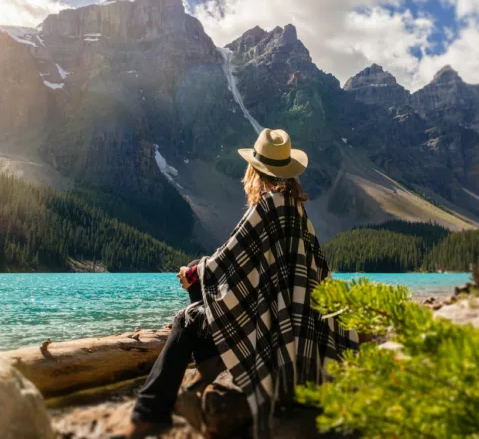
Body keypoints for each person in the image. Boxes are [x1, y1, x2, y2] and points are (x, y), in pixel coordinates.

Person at [116, 128, 358, 439]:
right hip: (297, 331)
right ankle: (212, 364)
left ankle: (149, 415)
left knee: (186, 319)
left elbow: (226, 260)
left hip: (268, 333)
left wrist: (193, 274)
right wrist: (200, 269)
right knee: (199, 270)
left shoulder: (268, 207)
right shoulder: (296, 210)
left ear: (255, 171)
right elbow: (249, 264)